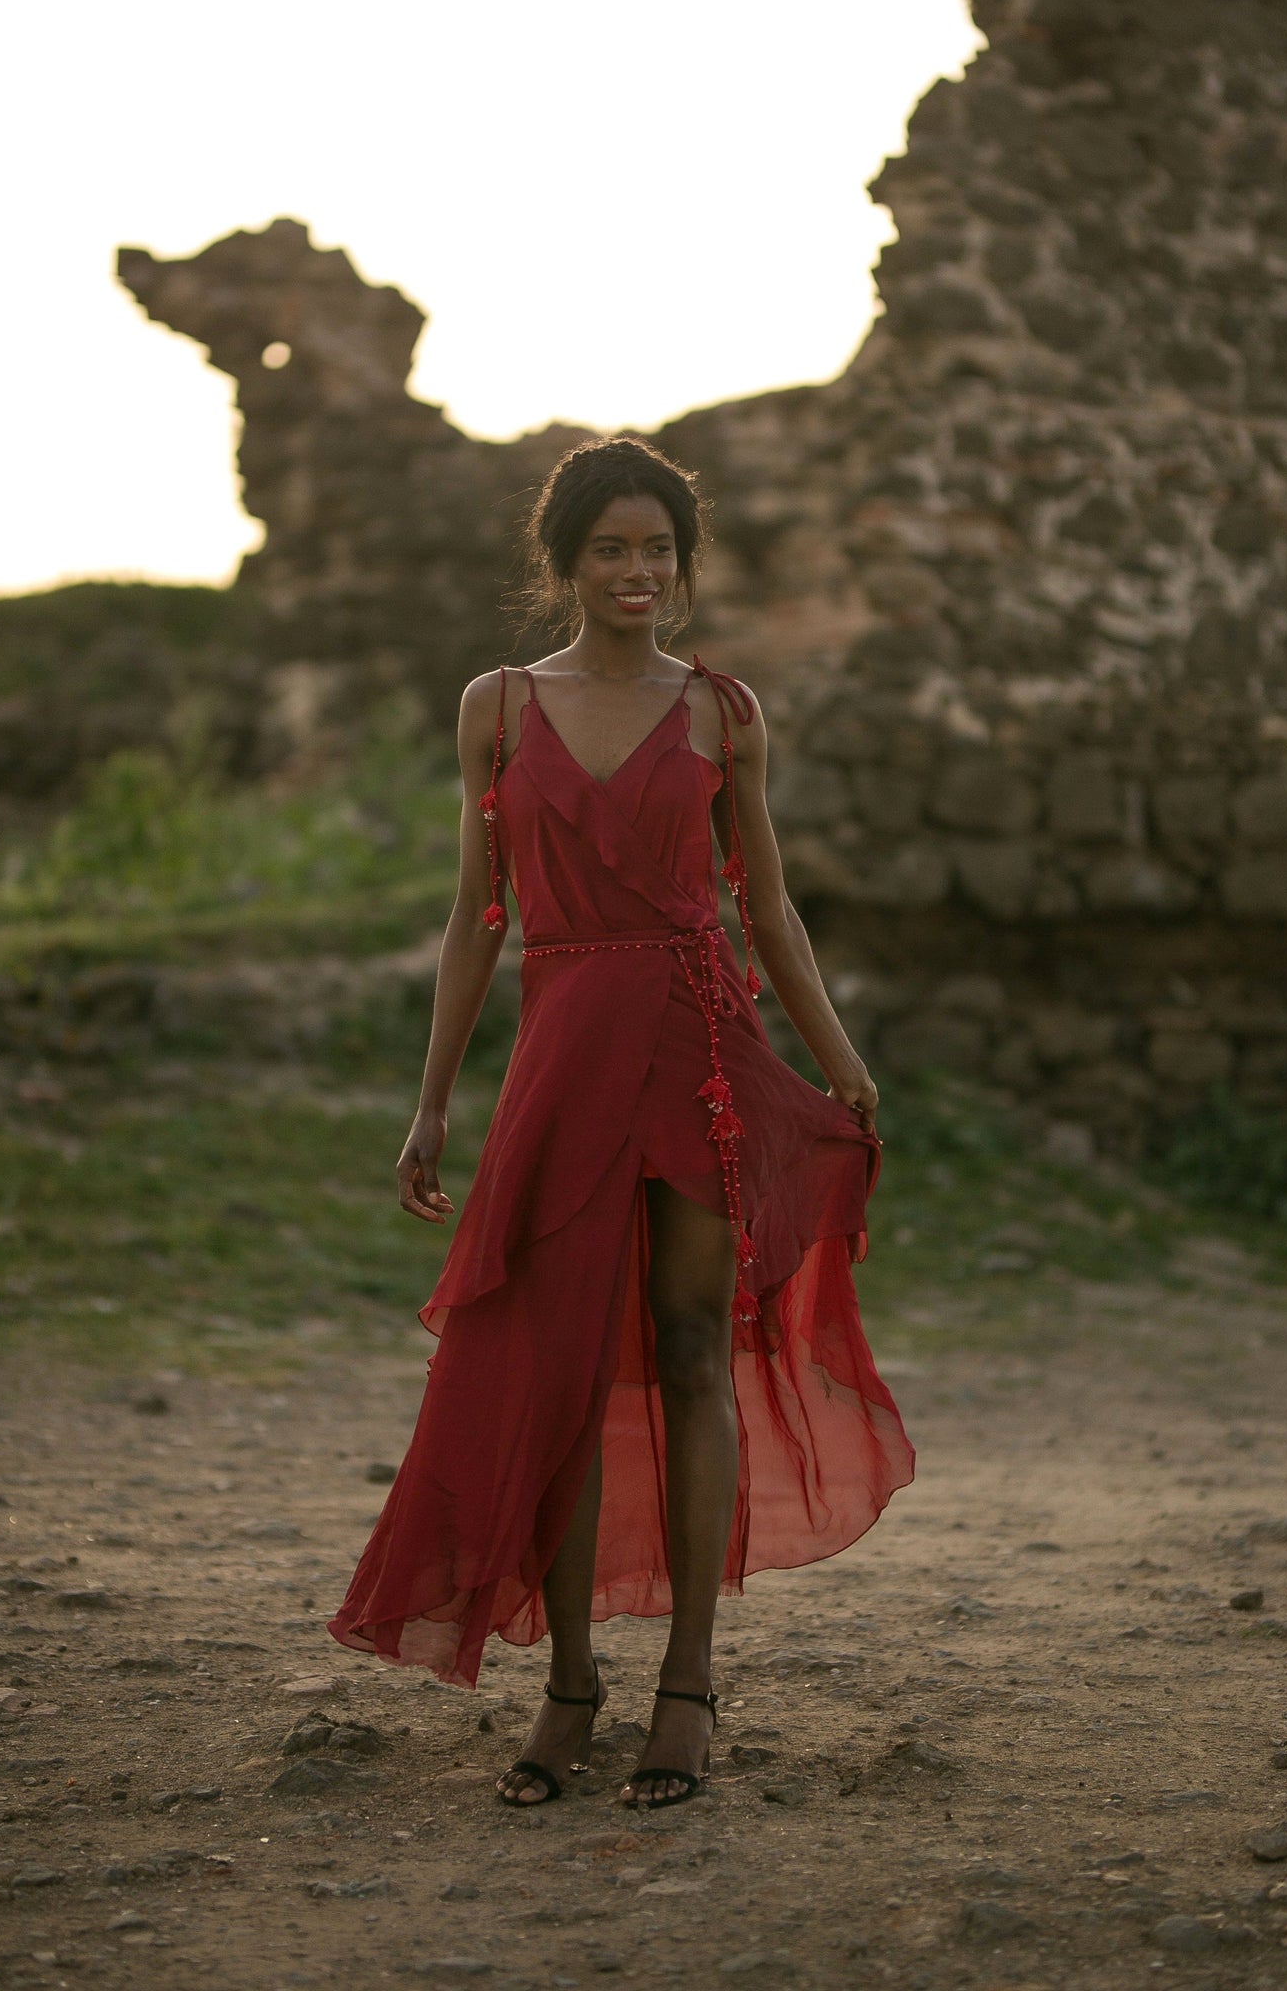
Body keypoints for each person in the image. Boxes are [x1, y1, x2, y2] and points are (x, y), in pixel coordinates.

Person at [329, 436, 914, 1808]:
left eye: (658, 550)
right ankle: (571, 1682)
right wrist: (429, 1103)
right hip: (561, 1047)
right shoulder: (498, 707)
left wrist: (837, 1063)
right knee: (567, 1367)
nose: (636, 573)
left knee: (697, 1348)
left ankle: (690, 1684)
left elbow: (766, 907)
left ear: (683, 564)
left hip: (699, 1043)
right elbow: (478, 917)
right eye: (610, 550)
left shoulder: (721, 711)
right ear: (564, 563)